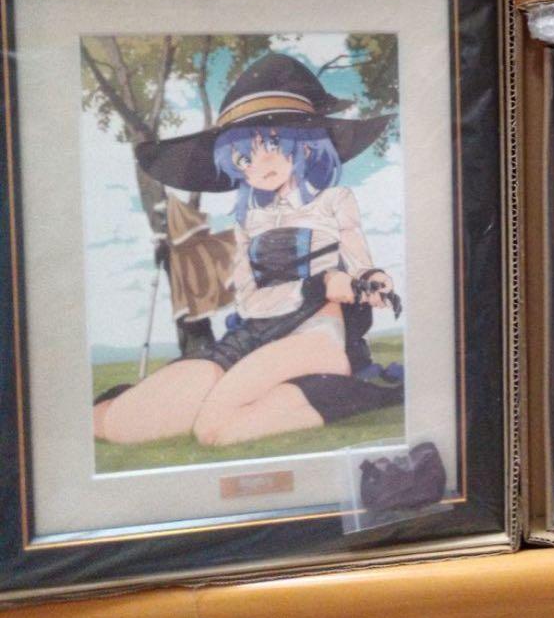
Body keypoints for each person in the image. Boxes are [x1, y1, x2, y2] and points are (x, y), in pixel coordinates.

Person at [94, 51, 402, 447]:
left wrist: (373, 281)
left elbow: (361, 266)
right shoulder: (249, 222)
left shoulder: (335, 201)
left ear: (306, 146)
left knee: (213, 429)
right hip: (255, 333)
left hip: (316, 335)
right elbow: (251, 302)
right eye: (244, 156)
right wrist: (318, 284)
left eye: (272, 143)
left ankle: (354, 391)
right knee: (119, 424)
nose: (259, 163)